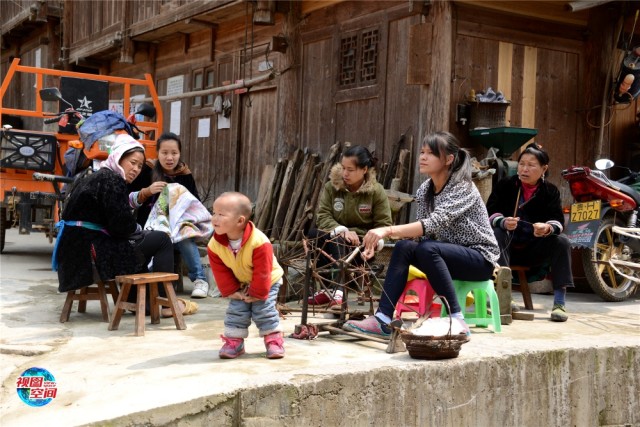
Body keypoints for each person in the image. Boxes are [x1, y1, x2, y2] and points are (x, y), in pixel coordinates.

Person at [342, 131, 500, 338]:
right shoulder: (426, 189)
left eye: (430, 153)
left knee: (427, 248)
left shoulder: (464, 187)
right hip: (444, 256)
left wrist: (387, 230)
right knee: (405, 247)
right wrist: (379, 243)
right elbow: (422, 236)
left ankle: (457, 319)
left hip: (480, 259)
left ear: (448, 159)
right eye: (422, 152)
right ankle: (383, 319)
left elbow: (432, 223)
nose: (422, 157)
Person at [53, 134, 195, 316]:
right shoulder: (112, 180)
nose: (136, 169)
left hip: (76, 252)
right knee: (160, 240)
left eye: (139, 166)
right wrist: (139, 231)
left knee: (140, 244)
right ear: (119, 157)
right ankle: (166, 304)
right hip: (90, 253)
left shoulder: (94, 176)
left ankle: (139, 302)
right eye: (132, 163)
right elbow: (121, 226)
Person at [486, 143, 573, 322]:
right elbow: (489, 212)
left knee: (562, 241)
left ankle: (559, 303)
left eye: (531, 165)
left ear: (544, 168)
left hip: (533, 251)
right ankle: (505, 297)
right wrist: (503, 221)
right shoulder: (506, 185)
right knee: (498, 233)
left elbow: (557, 221)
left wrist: (547, 228)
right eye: (522, 164)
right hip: (506, 250)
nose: (524, 169)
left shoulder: (550, 191)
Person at [129, 132, 211, 299]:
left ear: (180, 154)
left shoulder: (185, 175)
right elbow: (130, 196)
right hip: (150, 231)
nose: (169, 157)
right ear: (157, 153)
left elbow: (193, 204)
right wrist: (147, 191)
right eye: (164, 153)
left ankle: (200, 280)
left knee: (185, 236)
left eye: (174, 153)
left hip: (176, 231)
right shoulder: (147, 170)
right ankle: (154, 282)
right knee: (163, 239)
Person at [308, 144, 393, 305]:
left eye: (351, 169)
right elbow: (323, 215)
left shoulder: (376, 191)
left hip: (361, 247)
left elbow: (384, 224)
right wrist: (342, 231)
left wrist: (372, 243)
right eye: (343, 168)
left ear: (364, 170)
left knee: (338, 240)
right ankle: (329, 289)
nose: (345, 173)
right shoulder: (332, 187)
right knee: (315, 235)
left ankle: (338, 290)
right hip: (335, 238)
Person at [207, 192, 285, 359]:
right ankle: (234, 342)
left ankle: (273, 339)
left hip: (268, 280)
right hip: (241, 281)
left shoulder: (259, 242)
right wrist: (231, 290)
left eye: (221, 214)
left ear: (240, 221)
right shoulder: (214, 244)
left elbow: (263, 271)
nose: (215, 218)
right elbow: (220, 270)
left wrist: (257, 293)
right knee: (237, 310)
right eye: (214, 212)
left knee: (263, 309)